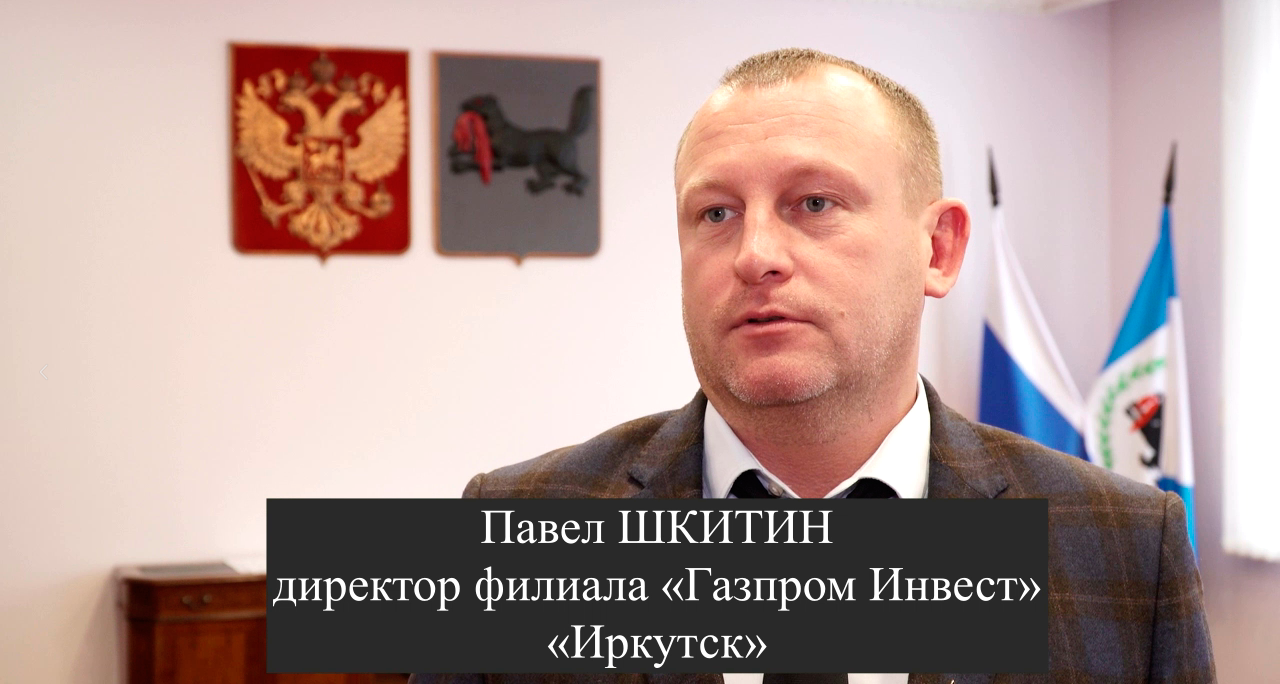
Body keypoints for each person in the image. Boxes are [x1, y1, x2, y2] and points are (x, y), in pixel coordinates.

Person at [414, 48, 1214, 684]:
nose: (755, 254)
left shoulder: (1125, 546)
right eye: (716, 213)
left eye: (815, 204)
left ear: (937, 250)